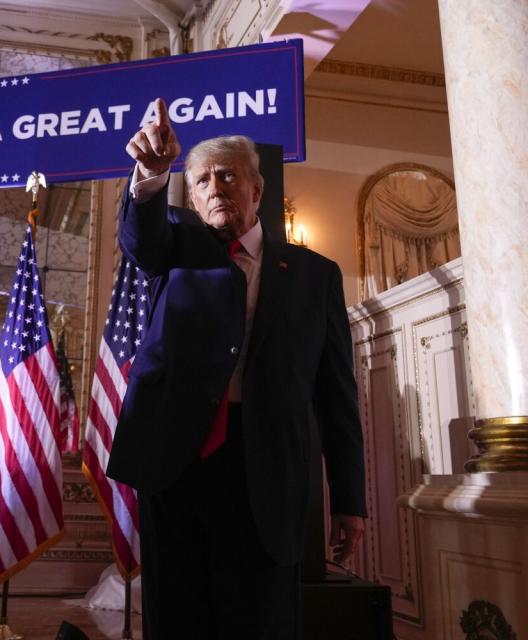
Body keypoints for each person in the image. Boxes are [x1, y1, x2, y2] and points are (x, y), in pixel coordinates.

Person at [105, 99, 367, 639]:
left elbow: (335, 392)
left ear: (257, 188)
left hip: (267, 473)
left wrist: (349, 501)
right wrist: (153, 174)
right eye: (201, 180)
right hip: (178, 466)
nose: (215, 187)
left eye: (228, 175)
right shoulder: (175, 244)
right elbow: (140, 239)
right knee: (178, 620)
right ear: (191, 196)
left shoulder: (315, 275)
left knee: (262, 621)